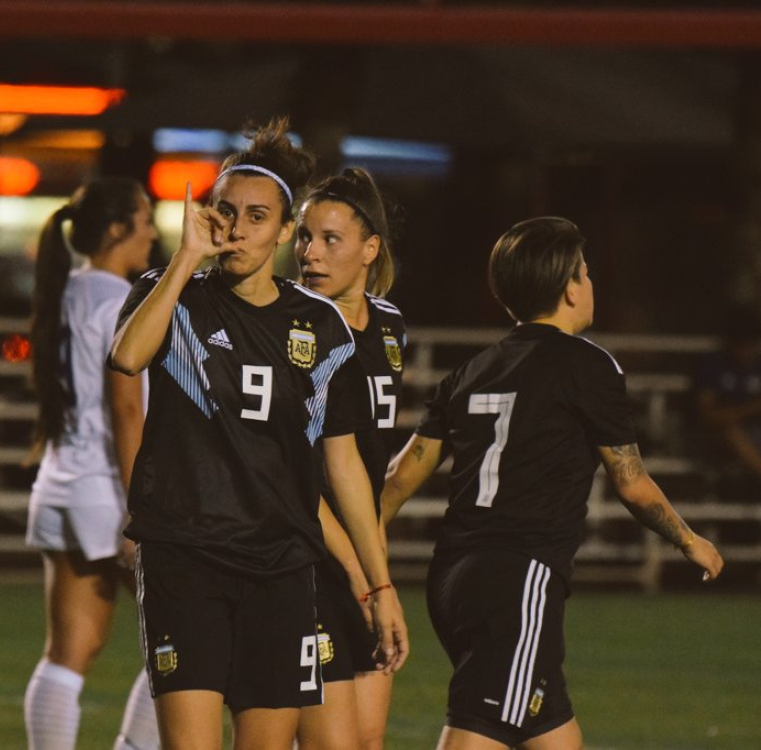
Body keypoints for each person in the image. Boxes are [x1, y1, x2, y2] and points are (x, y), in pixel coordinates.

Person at [110, 118, 409, 750]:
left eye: (256, 216)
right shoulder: (172, 294)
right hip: (184, 557)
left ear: (284, 231)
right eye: (226, 212)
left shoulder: (321, 328)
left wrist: (378, 584)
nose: (238, 228)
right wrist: (185, 257)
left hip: (281, 568)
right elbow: (127, 357)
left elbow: (344, 467)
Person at [380, 216, 724, 750]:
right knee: (479, 729)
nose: (590, 283)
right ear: (570, 287)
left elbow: (400, 478)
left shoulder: (471, 371)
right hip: (519, 578)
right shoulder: (590, 366)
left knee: (553, 735)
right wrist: (688, 539)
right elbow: (631, 483)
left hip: (451, 578)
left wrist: (356, 552)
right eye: (585, 272)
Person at [23, 178, 162, 750]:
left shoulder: (66, 291)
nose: (153, 233)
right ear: (115, 229)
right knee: (190, 640)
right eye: (145, 220)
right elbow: (126, 409)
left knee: (67, 654)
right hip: (107, 490)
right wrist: (139, 508)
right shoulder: (118, 300)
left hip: (61, 483)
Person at [293, 168, 403, 750]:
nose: (310, 253)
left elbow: (368, 465)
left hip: (363, 557)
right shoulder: (292, 328)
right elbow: (299, 476)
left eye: (330, 239)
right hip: (304, 559)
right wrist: (367, 582)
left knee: (367, 739)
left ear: (369, 249)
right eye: (304, 236)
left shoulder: (390, 326)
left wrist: (377, 573)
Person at [692, 304, 761, 496]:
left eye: (751, 343)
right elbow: (708, 416)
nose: (746, 350)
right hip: (718, 439)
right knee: (730, 431)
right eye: (742, 343)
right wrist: (751, 409)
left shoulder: (758, 364)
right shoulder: (712, 365)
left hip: (756, 432)